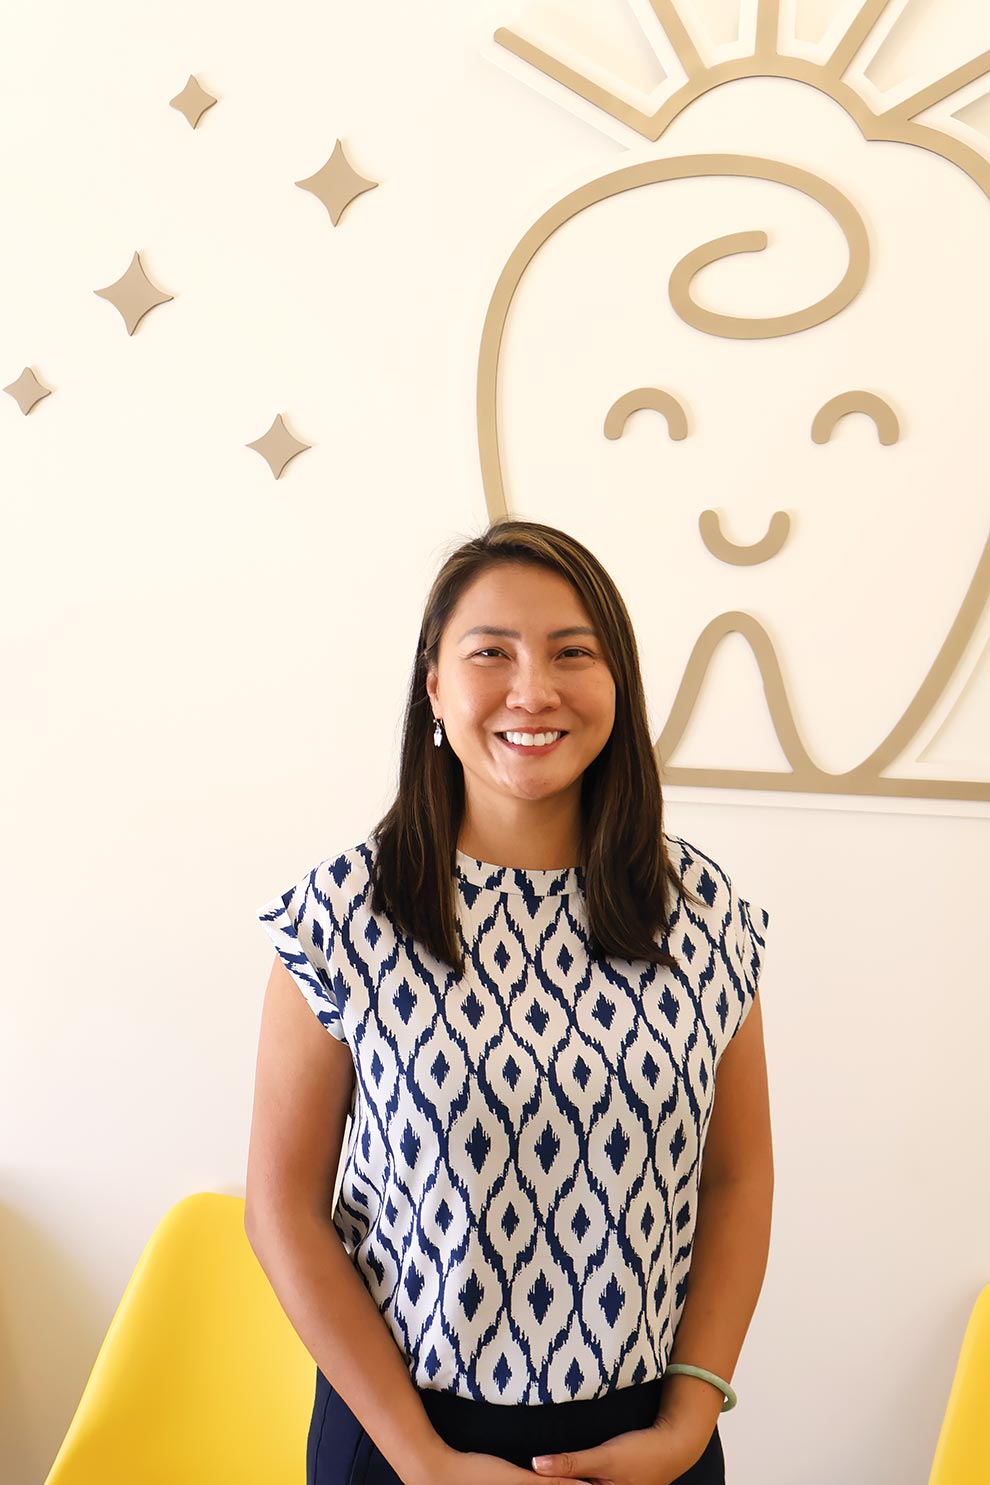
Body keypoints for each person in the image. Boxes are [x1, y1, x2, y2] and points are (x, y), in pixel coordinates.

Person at [246, 519, 773, 1485]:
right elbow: (282, 1206)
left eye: (573, 652)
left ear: (618, 684)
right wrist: (426, 1461)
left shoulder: (702, 913)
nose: (533, 690)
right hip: (403, 1439)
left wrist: (688, 1421)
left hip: (647, 1443)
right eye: (491, 652)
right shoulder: (343, 914)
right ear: (434, 688)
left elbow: (736, 1177)